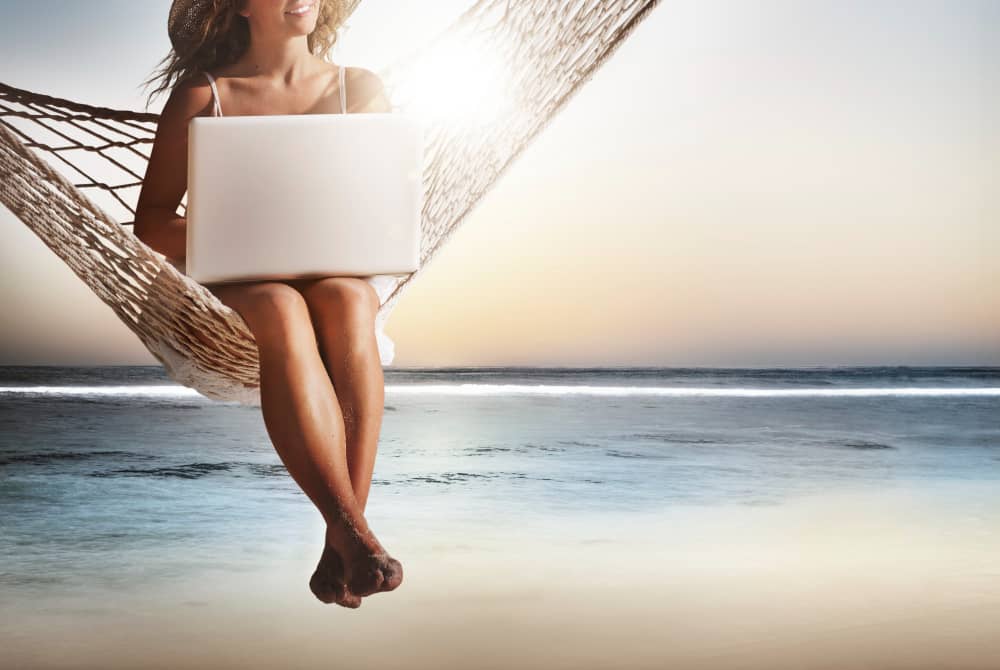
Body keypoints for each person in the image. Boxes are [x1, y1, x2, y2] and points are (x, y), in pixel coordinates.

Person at [134, 0, 403, 609]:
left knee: (349, 300)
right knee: (281, 307)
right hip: (230, 286)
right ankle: (355, 537)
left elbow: (380, 203)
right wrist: (238, 236)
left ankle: (345, 539)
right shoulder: (203, 97)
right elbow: (151, 224)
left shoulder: (357, 90)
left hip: (333, 267)